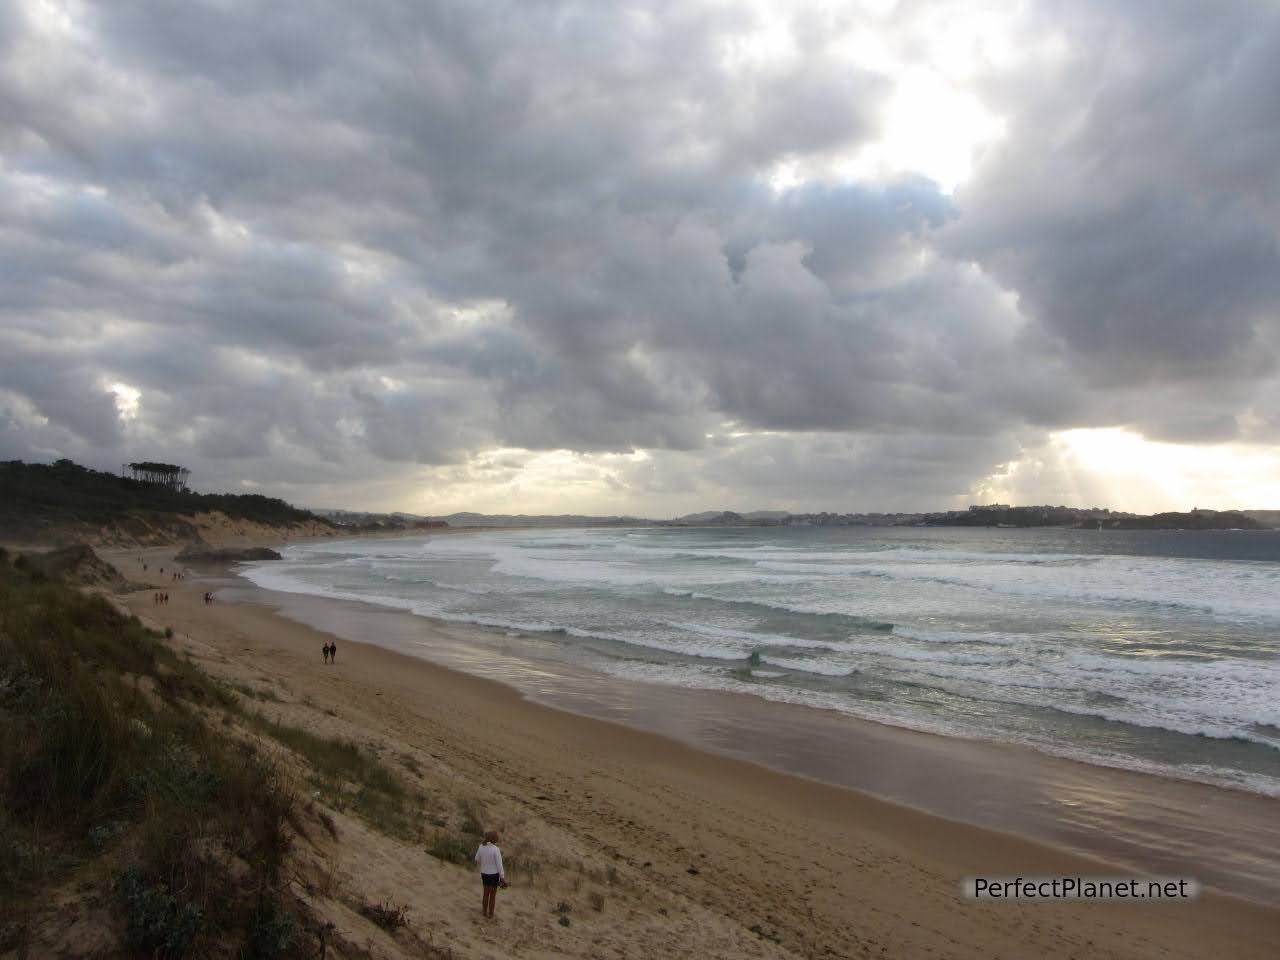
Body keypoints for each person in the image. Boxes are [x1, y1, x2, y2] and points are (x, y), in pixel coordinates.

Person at [474, 831, 506, 918]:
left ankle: (484, 912)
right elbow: (499, 865)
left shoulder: (481, 846)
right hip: (494, 875)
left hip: (484, 873)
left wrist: (485, 862)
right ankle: (491, 914)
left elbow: (477, 859)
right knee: (492, 896)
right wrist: (502, 877)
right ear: (494, 839)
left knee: (485, 894)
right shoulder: (496, 849)